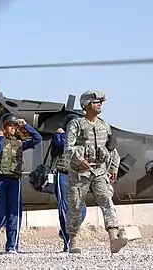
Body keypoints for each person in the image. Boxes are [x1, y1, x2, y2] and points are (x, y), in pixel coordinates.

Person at [65, 90, 128, 254]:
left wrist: (114, 167)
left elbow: (112, 149)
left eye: (101, 101)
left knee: (107, 201)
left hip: (99, 172)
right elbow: (68, 148)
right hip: (80, 174)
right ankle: (73, 240)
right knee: (76, 206)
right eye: (96, 101)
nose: (100, 104)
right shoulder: (76, 124)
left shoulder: (104, 126)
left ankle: (114, 238)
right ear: (86, 105)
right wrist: (79, 160)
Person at [0, 113, 42, 254]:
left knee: (15, 214)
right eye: (9, 126)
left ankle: (12, 246)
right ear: (4, 127)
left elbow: (38, 138)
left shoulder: (20, 143)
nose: (12, 129)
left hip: (14, 181)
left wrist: (26, 125)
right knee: (1, 214)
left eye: (14, 126)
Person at [50, 114, 87, 252]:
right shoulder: (59, 137)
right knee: (65, 209)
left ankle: (65, 230)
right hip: (62, 175)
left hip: (76, 176)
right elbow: (64, 145)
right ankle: (68, 242)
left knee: (82, 210)